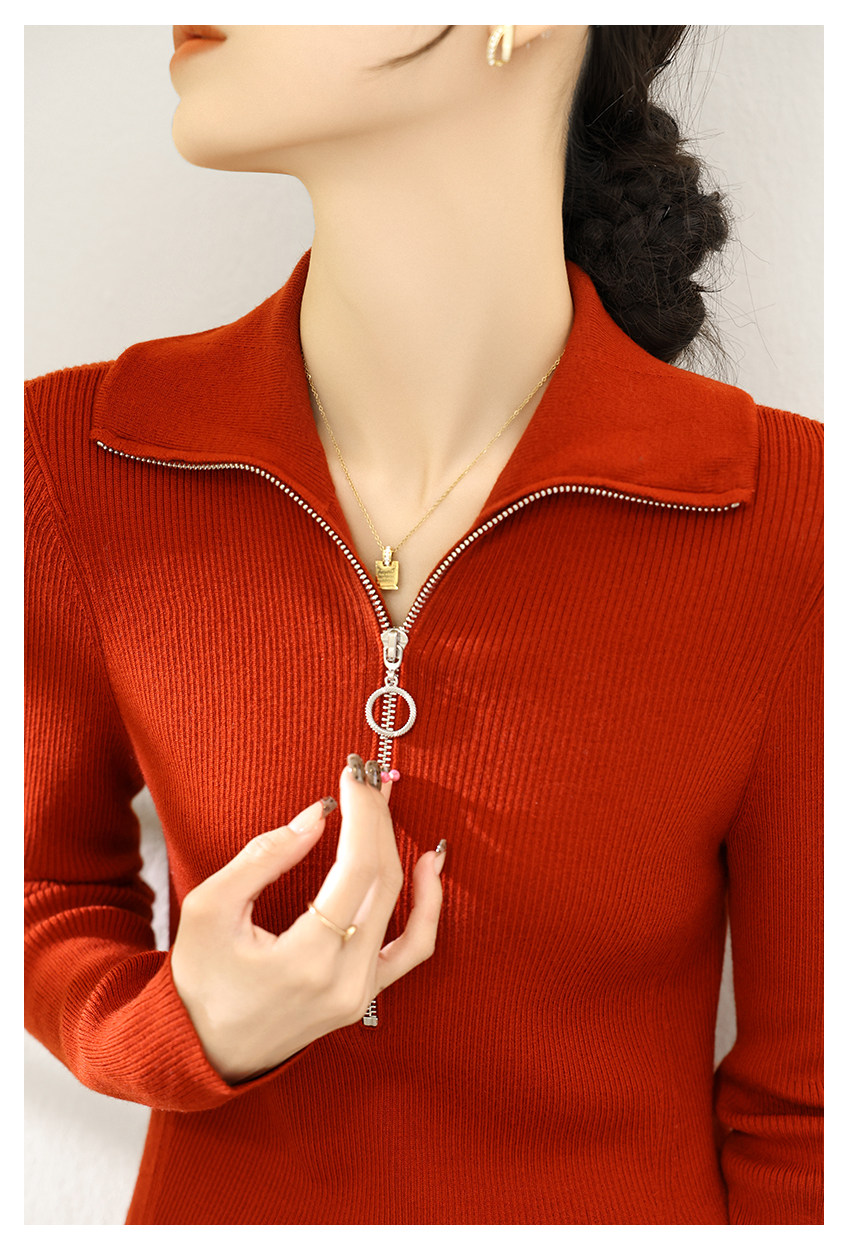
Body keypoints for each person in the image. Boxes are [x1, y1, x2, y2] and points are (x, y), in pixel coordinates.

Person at [24, 25, 822, 1225]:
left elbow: (812, 1121)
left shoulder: (790, 518)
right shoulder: (72, 461)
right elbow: (40, 888)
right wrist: (176, 1027)